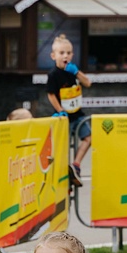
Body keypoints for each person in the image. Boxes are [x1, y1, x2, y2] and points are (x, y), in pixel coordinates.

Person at [45, 34, 92, 175]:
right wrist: (60, 110)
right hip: (64, 116)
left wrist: (77, 72)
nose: (65, 56)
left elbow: (88, 83)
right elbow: (51, 94)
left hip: (78, 114)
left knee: (89, 138)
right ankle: (61, 170)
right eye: (61, 53)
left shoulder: (72, 71)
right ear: (53, 56)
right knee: (63, 145)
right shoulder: (54, 74)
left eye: (69, 53)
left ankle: (76, 164)